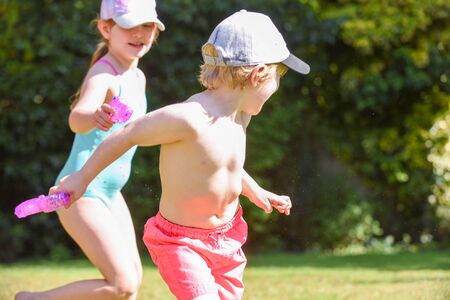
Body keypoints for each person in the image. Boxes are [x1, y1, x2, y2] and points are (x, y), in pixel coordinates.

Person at [50, 9, 310, 300]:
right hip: (181, 242)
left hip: (226, 239)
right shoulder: (189, 118)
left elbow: (224, 165)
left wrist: (255, 190)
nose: (276, 87)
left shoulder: (239, 117)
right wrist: (81, 178)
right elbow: (127, 133)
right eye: (278, 77)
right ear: (258, 75)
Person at [15, 1, 165, 299]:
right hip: (81, 190)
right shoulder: (104, 74)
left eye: (147, 25)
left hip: (111, 192)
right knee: (121, 285)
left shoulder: (137, 76)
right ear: (106, 28)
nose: (139, 33)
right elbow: (76, 118)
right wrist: (94, 116)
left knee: (131, 282)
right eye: (128, 25)